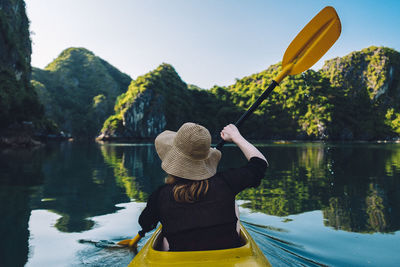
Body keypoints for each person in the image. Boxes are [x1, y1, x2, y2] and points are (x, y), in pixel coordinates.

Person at [138, 122, 268, 251]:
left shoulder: (160, 195)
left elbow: (146, 223)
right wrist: (236, 136)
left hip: (181, 258)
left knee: (166, 233)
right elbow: (260, 164)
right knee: (233, 203)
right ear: (206, 158)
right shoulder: (227, 182)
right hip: (226, 256)